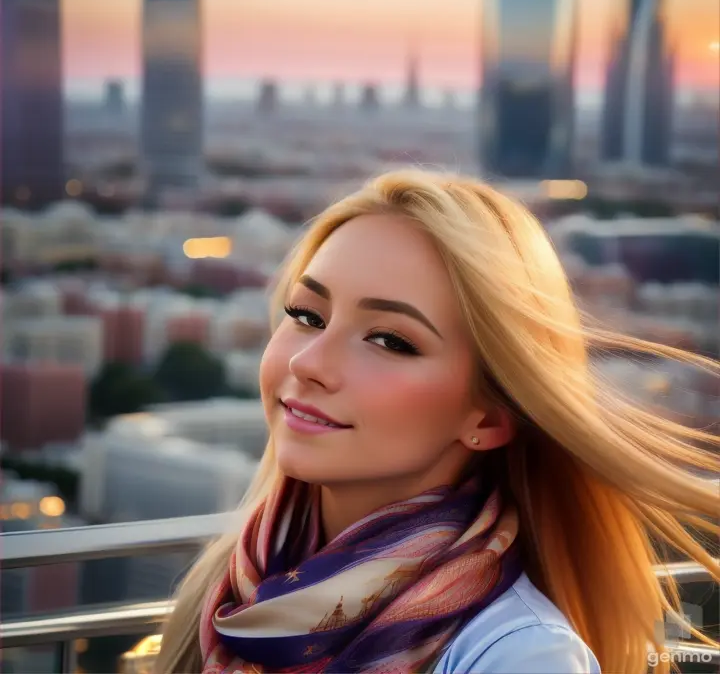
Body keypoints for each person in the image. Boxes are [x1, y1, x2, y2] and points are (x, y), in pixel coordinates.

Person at [155, 170, 719, 674]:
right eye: (306, 315)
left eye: (390, 340)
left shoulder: (521, 656)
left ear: (491, 417)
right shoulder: (233, 587)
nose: (308, 363)